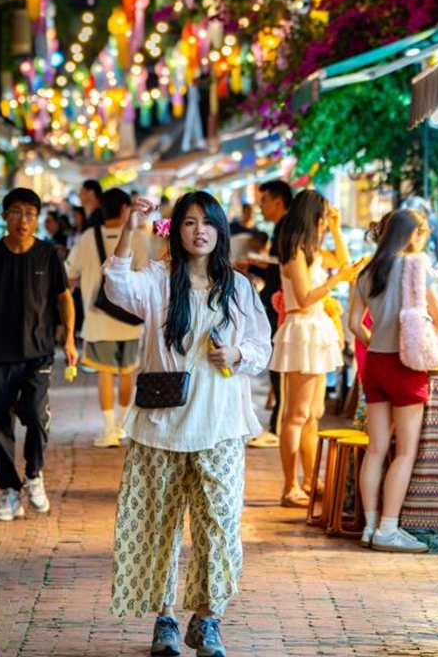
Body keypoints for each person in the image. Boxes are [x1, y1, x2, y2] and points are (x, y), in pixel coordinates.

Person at [104, 191, 271, 657]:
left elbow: (262, 346)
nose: (199, 230)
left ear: (219, 232)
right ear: (176, 231)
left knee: (219, 525)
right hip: (162, 425)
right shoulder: (159, 280)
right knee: (160, 526)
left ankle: (208, 618)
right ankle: (165, 619)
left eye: (208, 223)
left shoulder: (237, 288)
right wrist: (131, 228)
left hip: (220, 425)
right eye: (189, 222)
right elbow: (116, 285)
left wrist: (237, 354)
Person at [348, 208, 438, 553]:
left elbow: (353, 324)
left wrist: (375, 340)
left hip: (375, 363)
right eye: (423, 232)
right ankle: (389, 529)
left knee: (376, 449)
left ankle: (370, 527)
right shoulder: (415, 267)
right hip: (406, 364)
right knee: (405, 451)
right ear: (412, 234)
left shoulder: (366, 271)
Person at [0, 188, 77, 522]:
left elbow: (64, 297)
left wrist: (68, 340)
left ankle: (34, 474)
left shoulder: (48, 254)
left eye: (29, 213)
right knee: (1, 425)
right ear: (4, 216)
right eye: (16, 212)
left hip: (39, 353)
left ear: (37, 218)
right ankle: (9, 493)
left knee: (37, 418)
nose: (23, 219)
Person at [270, 189, 356, 507]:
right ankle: (290, 485)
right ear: (311, 218)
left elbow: (345, 262)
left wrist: (336, 227)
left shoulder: (313, 250)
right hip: (301, 327)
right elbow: (305, 297)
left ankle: (309, 479)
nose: (323, 224)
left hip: (316, 328)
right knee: (297, 414)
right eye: (322, 219)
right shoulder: (294, 252)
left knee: (314, 414)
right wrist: (337, 281)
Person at [65, 187, 149, 447]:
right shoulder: (137, 239)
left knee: (104, 374)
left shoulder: (88, 237)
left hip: (97, 320)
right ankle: (122, 426)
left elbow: (69, 274)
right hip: (131, 322)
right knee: (127, 373)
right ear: (125, 209)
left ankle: (108, 429)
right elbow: (146, 276)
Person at [247, 179, 293, 449]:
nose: (260, 207)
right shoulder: (280, 229)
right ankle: (276, 423)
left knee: (279, 368)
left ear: (278, 201)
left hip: (281, 306)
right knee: (276, 366)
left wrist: (262, 266)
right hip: (276, 302)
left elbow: (286, 270)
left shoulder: (287, 228)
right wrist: (258, 267)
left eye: (263, 201)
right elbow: (278, 270)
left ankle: (278, 426)